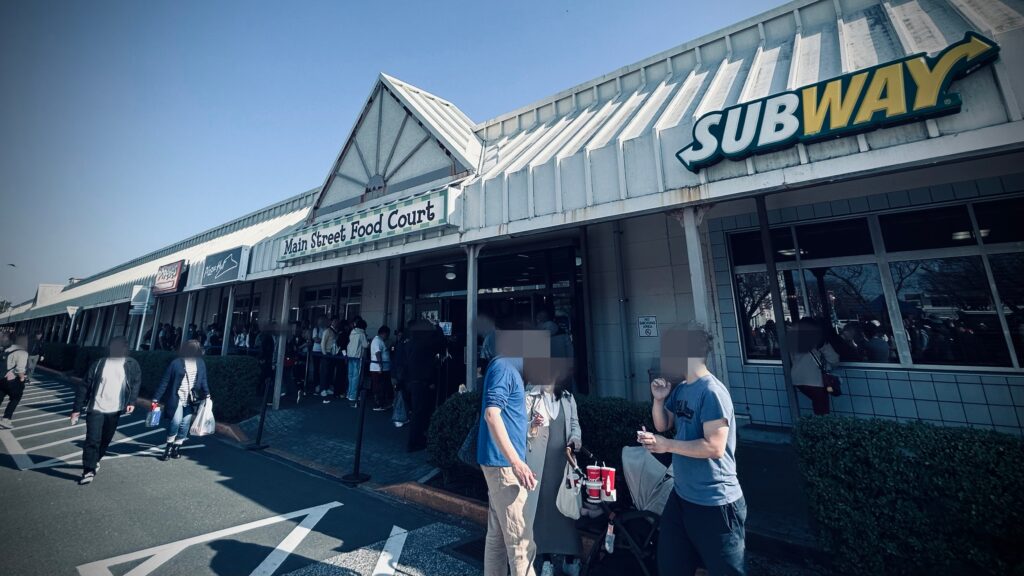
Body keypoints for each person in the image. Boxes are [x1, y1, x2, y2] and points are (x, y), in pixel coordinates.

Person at [641, 325, 746, 576]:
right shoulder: (682, 388)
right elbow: (662, 424)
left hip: (716, 502)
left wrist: (666, 445)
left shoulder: (712, 392)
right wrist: (658, 399)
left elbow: (714, 446)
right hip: (682, 497)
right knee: (671, 566)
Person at [476, 328, 541, 576]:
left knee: (499, 534)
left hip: (499, 462)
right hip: (504, 466)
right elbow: (492, 415)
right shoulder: (504, 367)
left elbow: (504, 416)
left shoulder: (506, 368)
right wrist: (517, 462)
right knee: (521, 543)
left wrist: (529, 424)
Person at [524, 357, 582, 576]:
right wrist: (533, 426)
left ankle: (570, 558)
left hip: (564, 462)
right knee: (542, 509)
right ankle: (545, 558)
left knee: (567, 508)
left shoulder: (567, 398)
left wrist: (576, 439)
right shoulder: (530, 396)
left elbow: (575, 424)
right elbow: (521, 429)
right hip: (540, 463)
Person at [70, 336, 141, 485]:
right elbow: (85, 386)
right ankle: (88, 470)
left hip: (115, 409)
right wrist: (76, 409)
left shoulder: (131, 364)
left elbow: (135, 382)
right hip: (96, 407)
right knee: (92, 439)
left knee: (105, 439)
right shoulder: (99, 364)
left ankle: (95, 460)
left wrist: (132, 401)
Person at [152, 340, 210, 461]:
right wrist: (156, 398)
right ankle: (168, 447)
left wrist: (207, 394)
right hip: (176, 396)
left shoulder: (200, 363)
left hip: (190, 399)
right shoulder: (176, 363)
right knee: (176, 421)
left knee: (185, 423)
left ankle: (177, 447)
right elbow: (165, 381)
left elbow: (203, 380)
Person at [404, 317, 444, 451]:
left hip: (411, 381)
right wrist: (437, 326)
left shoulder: (411, 342)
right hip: (423, 382)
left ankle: (415, 441)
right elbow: (441, 342)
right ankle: (415, 442)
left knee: (416, 412)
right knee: (420, 413)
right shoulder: (425, 343)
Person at [790, 318, 840, 416]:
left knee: (818, 405)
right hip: (815, 380)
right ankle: (821, 429)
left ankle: (816, 427)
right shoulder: (820, 341)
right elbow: (834, 360)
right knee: (822, 410)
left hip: (797, 379)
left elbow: (792, 360)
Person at [0, 333, 30, 430]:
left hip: (2, 378)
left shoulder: (7, 349)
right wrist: (22, 379)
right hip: (13, 380)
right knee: (15, 398)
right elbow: (20, 370)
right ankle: (6, 419)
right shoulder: (22, 352)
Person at [346, 318, 369, 408]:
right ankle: (353, 397)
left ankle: (349, 393)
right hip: (357, 357)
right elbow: (365, 345)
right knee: (356, 378)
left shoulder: (352, 332)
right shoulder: (362, 333)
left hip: (350, 356)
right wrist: (368, 342)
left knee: (350, 376)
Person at [370, 325, 392, 411]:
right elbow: (377, 353)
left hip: (381, 368)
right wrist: (380, 366)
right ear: (384, 333)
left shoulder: (379, 341)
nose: (388, 336)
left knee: (381, 386)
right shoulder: (377, 341)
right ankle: (378, 404)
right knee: (379, 386)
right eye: (387, 334)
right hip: (378, 368)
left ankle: (381, 403)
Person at [319, 317, 339, 401]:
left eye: (337, 321)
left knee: (330, 372)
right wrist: (324, 353)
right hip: (327, 353)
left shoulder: (336, 332)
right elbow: (323, 343)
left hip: (333, 354)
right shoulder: (327, 331)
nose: (336, 322)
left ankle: (327, 388)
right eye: (334, 321)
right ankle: (322, 389)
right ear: (331, 322)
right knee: (325, 372)